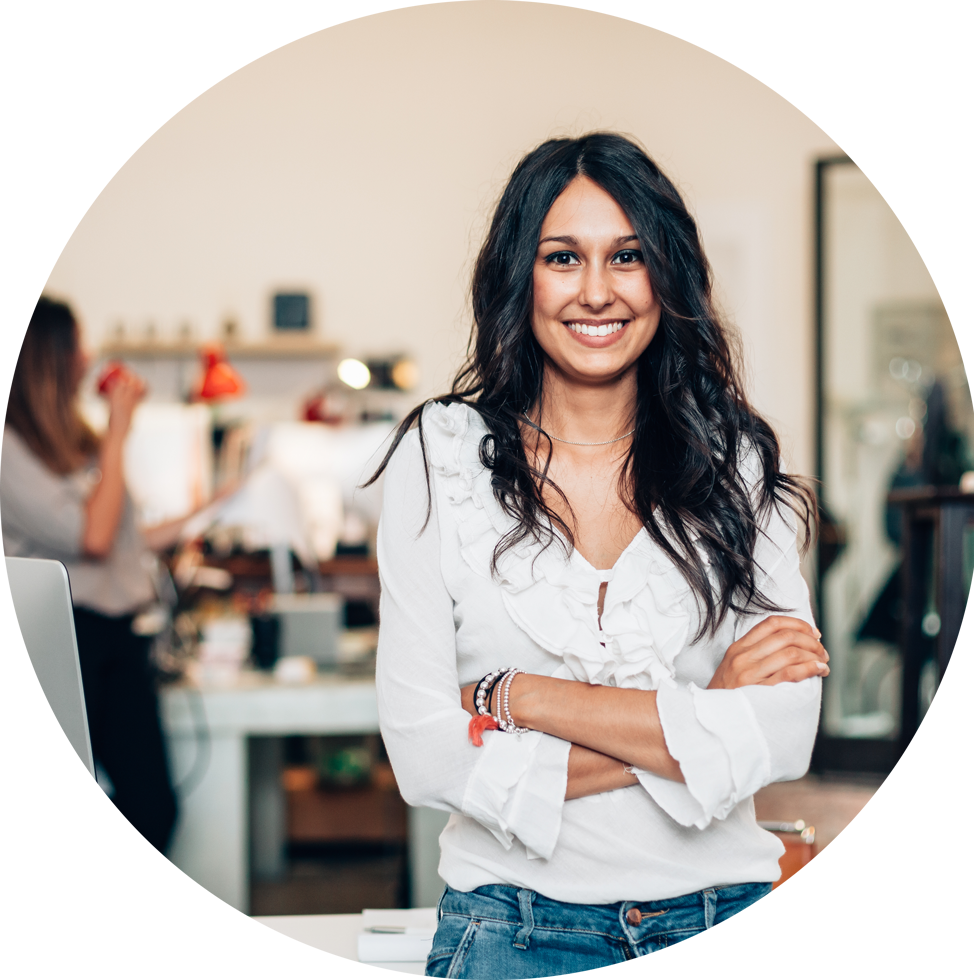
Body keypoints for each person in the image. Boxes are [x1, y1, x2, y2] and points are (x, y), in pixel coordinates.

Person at [371, 133, 828, 979]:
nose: (596, 291)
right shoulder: (438, 458)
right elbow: (426, 755)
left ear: (666, 275)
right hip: (512, 931)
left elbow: (788, 730)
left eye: (627, 256)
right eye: (562, 257)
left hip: (721, 929)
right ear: (522, 274)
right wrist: (702, 711)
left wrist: (527, 698)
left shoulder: (733, 459)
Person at [0, 296, 177, 918]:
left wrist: (210, 510)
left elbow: (120, 538)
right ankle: (75, 938)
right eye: (75, 345)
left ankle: (114, 938)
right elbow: (92, 537)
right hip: (63, 642)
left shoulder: (72, 440)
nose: (87, 357)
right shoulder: (6, 449)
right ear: (46, 356)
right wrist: (120, 429)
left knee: (154, 809)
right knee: (59, 821)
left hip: (116, 639)